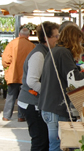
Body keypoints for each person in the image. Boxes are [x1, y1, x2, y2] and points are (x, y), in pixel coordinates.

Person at [39, 25, 84, 151]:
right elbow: (74, 77)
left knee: (58, 145)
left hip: (48, 106)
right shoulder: (63, 52)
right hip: (56, 107)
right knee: (58, 146)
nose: (80, 44)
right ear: (74, 40)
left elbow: (68, 73)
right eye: (79, 41)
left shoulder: (55, 50)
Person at [18, 22, 60, 151]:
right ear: (47, 38)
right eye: (56, 36)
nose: (58, 39)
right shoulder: (39, 54)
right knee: (40, 141)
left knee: (43, 140)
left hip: (37, 103)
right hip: (32, 104)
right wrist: (49, 93)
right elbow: (32, 81)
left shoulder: (46, 51)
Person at [2, 26, 35, 122]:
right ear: (28, 36)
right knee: (22, 97)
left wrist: (8, 67)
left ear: (19, 34)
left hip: (13, 74)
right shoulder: (31, 46)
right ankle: (21, 116)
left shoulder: (12, 44)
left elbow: (5, 60)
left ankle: (6, 116)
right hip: (26, 75)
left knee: (11, 95)